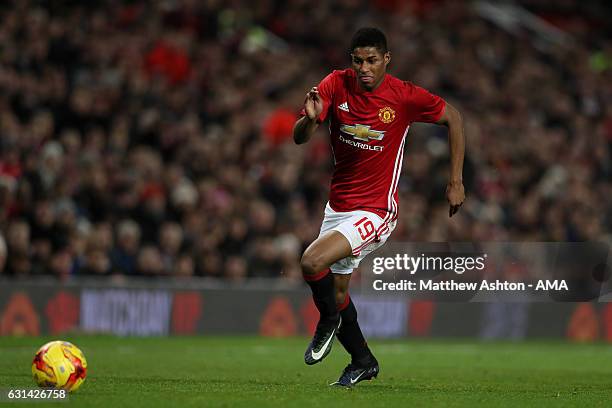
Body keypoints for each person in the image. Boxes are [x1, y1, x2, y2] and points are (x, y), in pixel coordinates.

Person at [293, 27, 465, 387]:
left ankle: (327, 322)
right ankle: (362, 360)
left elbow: (454, 118)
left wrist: (456, 181)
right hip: (338, 208)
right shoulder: (335, 84)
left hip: (377, 210)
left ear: (387, 59)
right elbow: (299, 137)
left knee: (311, 262)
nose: (364, 68)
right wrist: (309, 119)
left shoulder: (403, 96)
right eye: (358, 61)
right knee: (337, 294)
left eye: (372, 60)